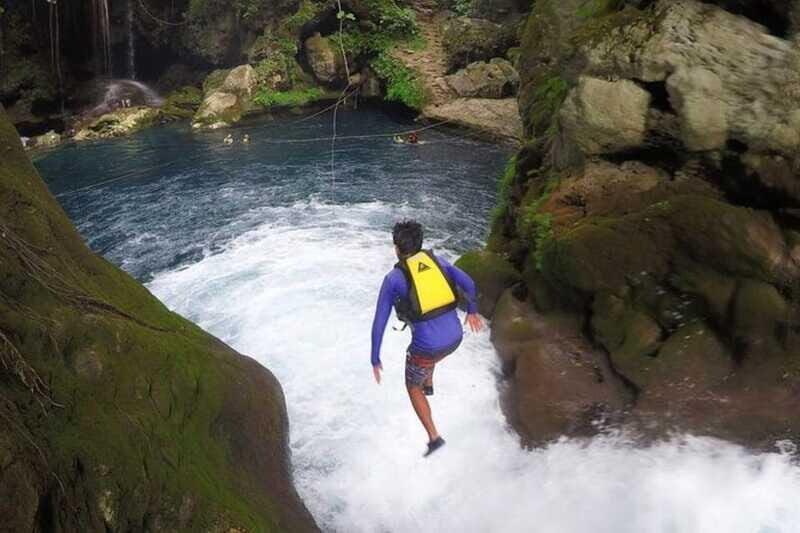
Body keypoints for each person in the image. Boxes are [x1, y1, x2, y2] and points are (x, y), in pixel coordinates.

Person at [370, 220, 483, 457]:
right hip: (455, 339)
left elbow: (380, 321)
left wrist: (375, 358)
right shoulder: (439, 262)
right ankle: (429, 383)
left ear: (396, 248)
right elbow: (471, 284)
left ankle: (434, 437)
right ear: (420, 244)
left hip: (428, 349)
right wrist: (472, 311)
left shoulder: (393, 279)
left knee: (413, 385)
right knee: (429, 355)